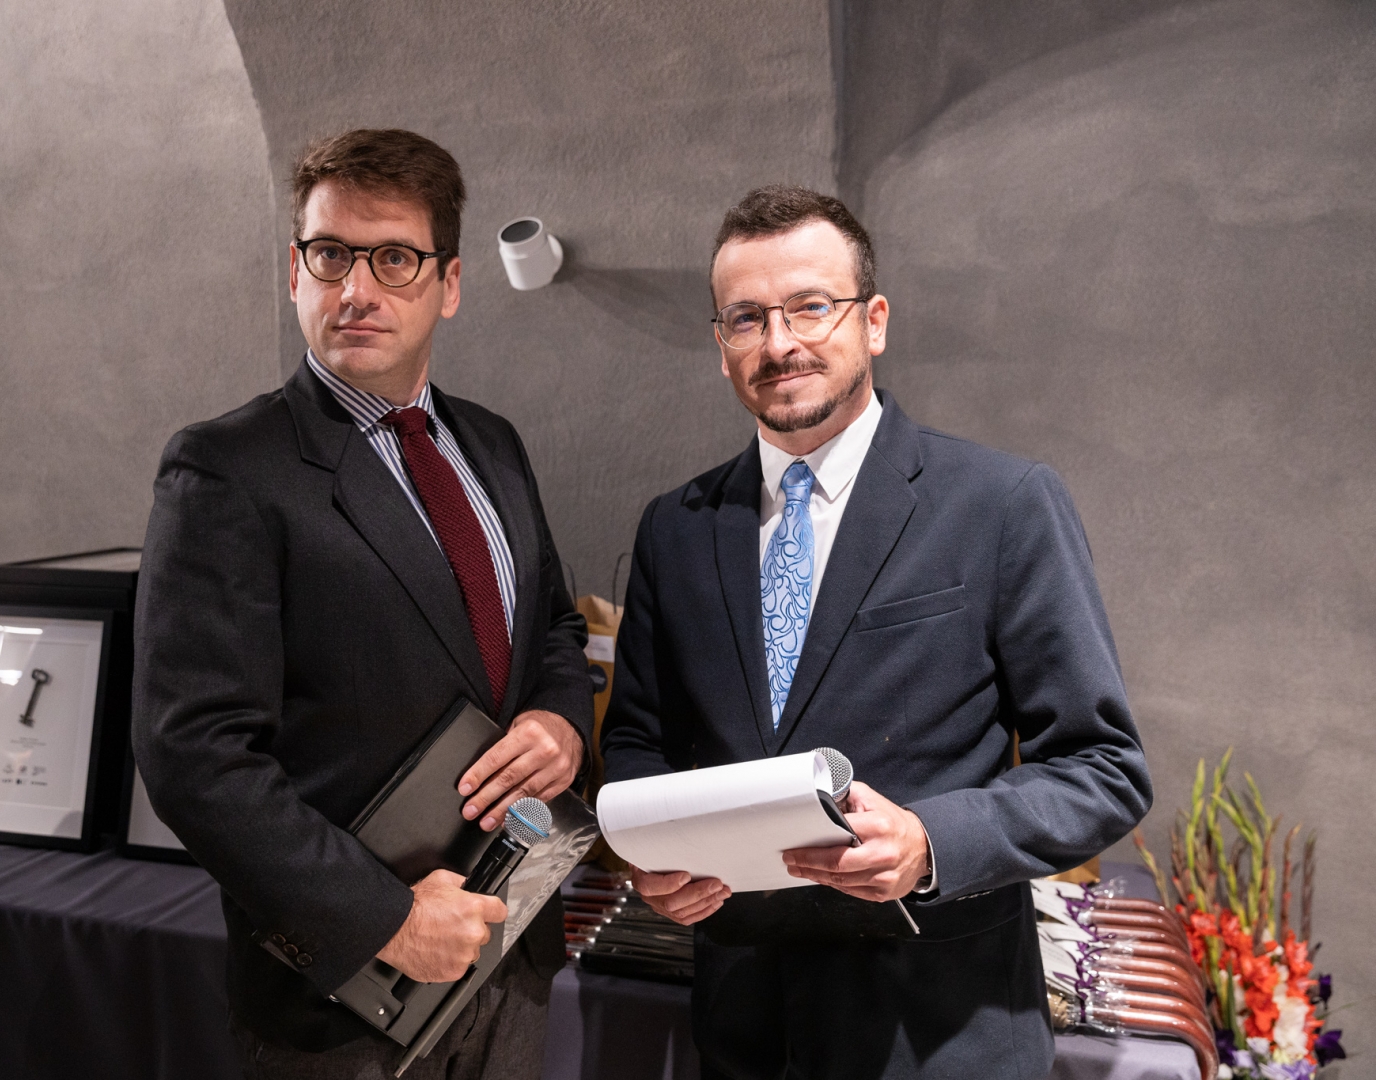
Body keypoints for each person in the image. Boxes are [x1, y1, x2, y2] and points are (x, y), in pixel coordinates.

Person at [599, 185, 1153, 1080]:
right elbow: (638, 740)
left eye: (811, 307)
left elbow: (1104, 768)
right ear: (721, 344)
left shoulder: (1001, 504)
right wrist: (652, 854)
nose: (780, 343)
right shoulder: (676, 527)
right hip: (745, 1034)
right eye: (747, 318)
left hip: (942, 1035)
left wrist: (933, 842)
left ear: (875, 321)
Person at [132, 128, 593, 1079]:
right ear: (293, 272)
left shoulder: (494, 445)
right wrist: (384, 920)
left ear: (449, 284)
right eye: (331, 255)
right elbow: (193, 753)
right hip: (348, 996)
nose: (356, 290)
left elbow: (551, 622)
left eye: (394, 259)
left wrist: (559, 719)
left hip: (511, 949)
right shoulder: (226, 470)